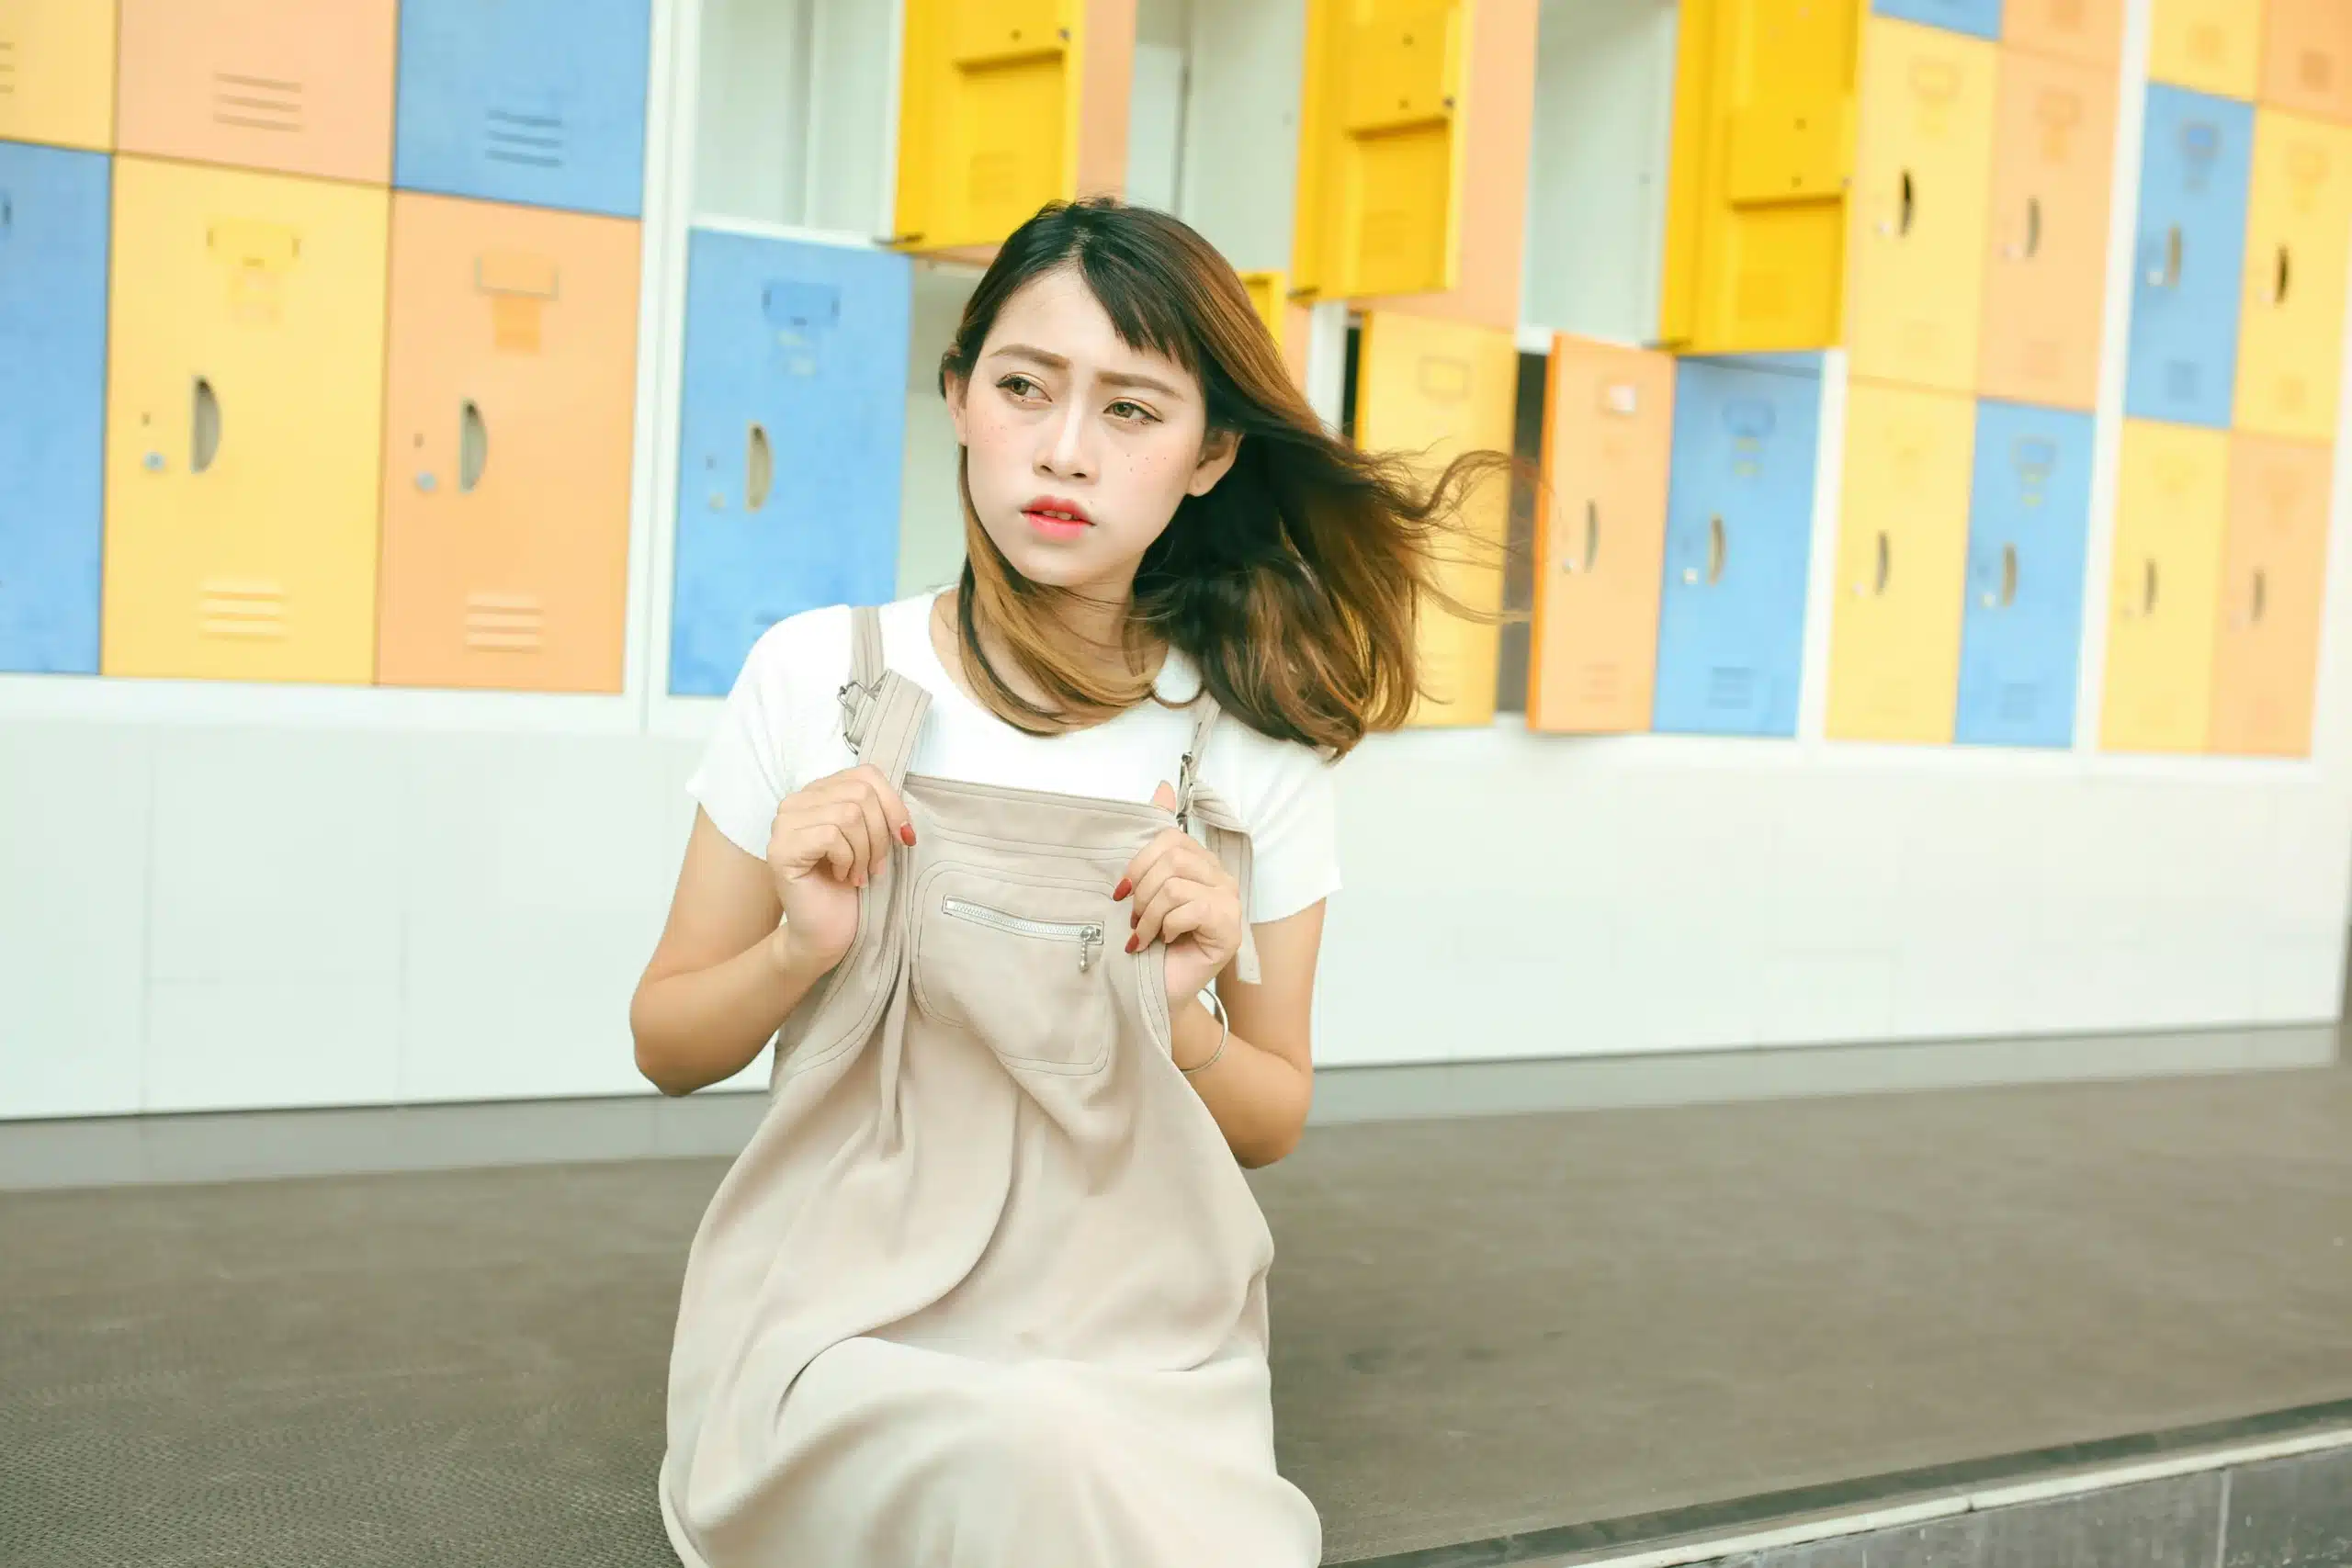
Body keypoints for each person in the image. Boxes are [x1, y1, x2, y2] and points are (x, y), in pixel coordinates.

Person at [629, 197, 1503, 1566]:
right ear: (960, 396)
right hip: (834, 1316)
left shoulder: (1254, 753)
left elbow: (1272, 1116)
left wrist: (1187, 1017)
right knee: (1012, 1452)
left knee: (1059, 1443)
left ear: (1212, 454)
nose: (1065, 450)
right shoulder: (814, 673)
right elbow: (666, 1042)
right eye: (1026, 386)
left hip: (1136, 1342)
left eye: (1133, 411)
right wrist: (799, 949)